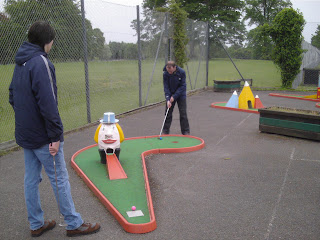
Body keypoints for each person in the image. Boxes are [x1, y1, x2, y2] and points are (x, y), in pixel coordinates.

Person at [9, 21, 100, 237]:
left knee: (31, 180)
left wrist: (27, 120)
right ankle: (73, 223)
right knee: (59, 179)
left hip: (25, 134)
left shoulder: (20, 62)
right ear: (47, 42)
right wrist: (56, 136)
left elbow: (12, 96)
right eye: (52, 41)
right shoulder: (40, 62)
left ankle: (36, 223)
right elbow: (48, 103)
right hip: (42, 137)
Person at [162, 61, 190, 135]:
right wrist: (168, 99)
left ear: (174, 67)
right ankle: (165, 131)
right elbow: (166, 87)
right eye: (168, 71)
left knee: (183, 113)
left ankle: (185, 131)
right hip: (170, 94)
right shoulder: (165, 73)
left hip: (181, 95)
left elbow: (183, 86)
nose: (169, 72)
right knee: (168, 113)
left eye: (170, 71)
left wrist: (174, 96)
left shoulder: (181, 72)